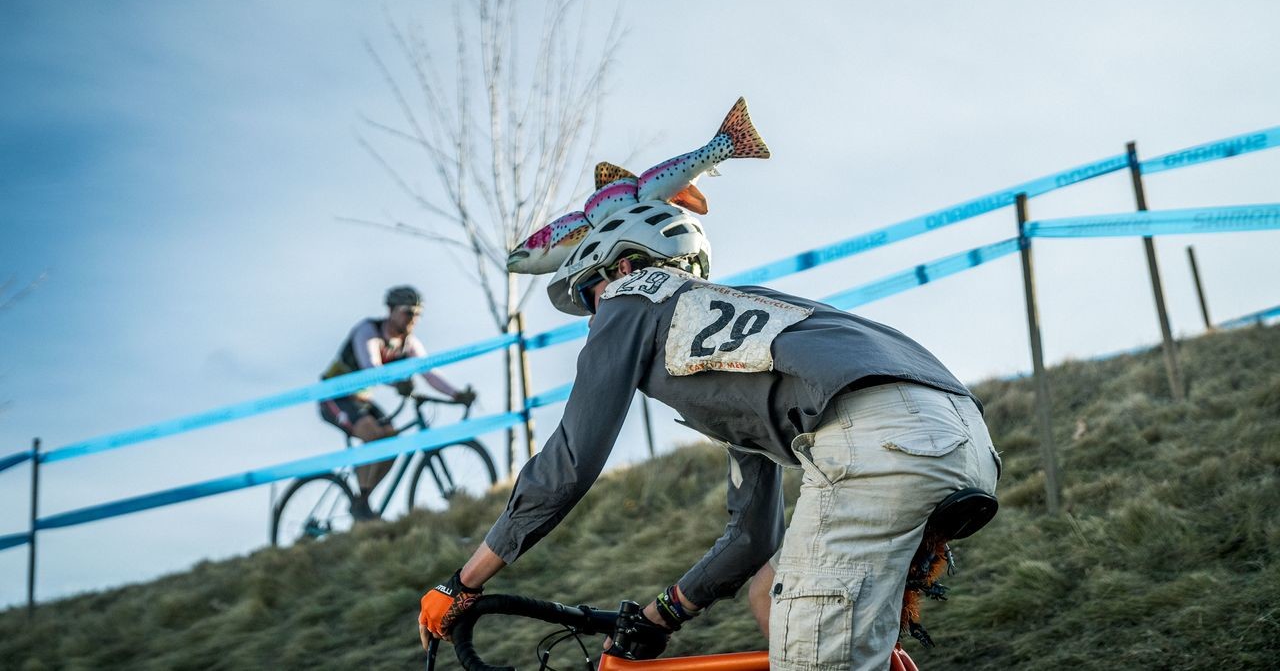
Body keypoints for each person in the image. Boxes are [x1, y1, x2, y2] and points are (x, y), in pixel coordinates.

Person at [418, 202, 1000, 669]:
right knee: (767, 593)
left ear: (621, 268)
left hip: (874, 434)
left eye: (588, 296)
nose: (593, 322)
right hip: (958, 435)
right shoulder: (727, 337)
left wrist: (462, 584)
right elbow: (752, 534)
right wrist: (661, 615)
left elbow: (570, 462)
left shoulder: (631, 296)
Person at [319, 285, 474, 521]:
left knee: (392, 442)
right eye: (408, 312)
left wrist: (456, 395)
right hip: (334, 395)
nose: (414, 319)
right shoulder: (368, 331)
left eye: (418, 314)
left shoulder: (408, 344)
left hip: (361, 399)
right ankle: (361, 503)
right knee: (372, 434)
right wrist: (398, 383)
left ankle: (362, 499)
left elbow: (429, 372)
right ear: (391, 311)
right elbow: (372, 368)